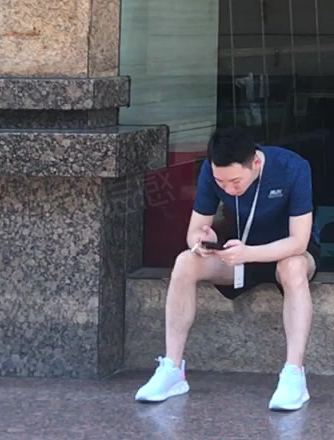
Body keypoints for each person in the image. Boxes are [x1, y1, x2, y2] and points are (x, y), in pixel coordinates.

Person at [135, 125, 321, 411]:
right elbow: (194, 232)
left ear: (255, 163)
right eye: (221, 182)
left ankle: (294, 375)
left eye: (235, 181)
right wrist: (202, 242)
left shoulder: (293, 167)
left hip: (284, 252)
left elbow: (299, 241)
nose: (228, 189)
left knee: (293, 267)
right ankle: (172, 368)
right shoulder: (212, 172)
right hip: (236, 252)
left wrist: (251, 253)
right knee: (185, 261)